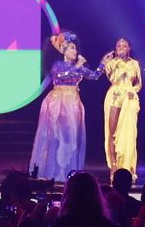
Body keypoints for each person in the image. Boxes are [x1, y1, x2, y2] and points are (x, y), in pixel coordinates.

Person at [30, 33, 100, 180]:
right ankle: (53, 171)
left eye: (75, 49)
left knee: (71, 138)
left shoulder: (78, 67)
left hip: (73, 103)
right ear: (64, 51)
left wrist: (103, 64)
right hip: (58, 103)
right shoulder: (58, 65)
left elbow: (94, 75)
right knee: (57, 137)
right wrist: (78, 67)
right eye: (72, 49)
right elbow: (62, 76)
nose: (75, 51)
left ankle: (68, 171)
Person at [101, 37, 142, 176]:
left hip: (129, 97)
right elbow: (105, 74)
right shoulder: (112, 63)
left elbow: (139, 84)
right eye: (118, 46)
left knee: (129, 133)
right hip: (115, 96)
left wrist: (133, 91)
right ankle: (113, 166)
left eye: (124, 46)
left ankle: (128, 166)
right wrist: (106, 62)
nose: (121, 48)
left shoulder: (135, 64)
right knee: (112, 133)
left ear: (129, 48)